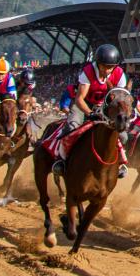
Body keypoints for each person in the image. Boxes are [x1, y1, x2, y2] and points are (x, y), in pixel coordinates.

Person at [53, 44, 129, 177]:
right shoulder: (87, 72)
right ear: (98, 64)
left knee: (123, 136)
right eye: (104, 66)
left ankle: (120, 162)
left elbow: (120, 100)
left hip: (104, 106)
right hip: (83, 105)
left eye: (110, 67)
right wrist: (90, 113)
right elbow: (79, 99)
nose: (107, 70)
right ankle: (61, 160)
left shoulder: (120, 74)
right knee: (72, 127)